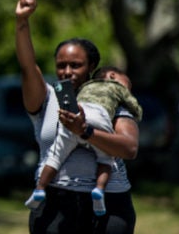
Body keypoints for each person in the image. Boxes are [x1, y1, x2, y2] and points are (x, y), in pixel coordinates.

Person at [15, 0, 139, 234]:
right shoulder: (46, 98)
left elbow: (129, 148)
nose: (67, 71)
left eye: (76, 65)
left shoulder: (112, 98)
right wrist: (22, 22)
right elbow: (27, 65)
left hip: (108, 208)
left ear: (92, 67)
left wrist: (84, 130)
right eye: (61, 65)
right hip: (55, 206)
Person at [25, 66, 143, 216]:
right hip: (99, 118)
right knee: (106, 159)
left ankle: (39, 189)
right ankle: (99, 190)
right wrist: (137, 113)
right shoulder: (117, 87)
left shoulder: (84, 87)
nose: (128, 88)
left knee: (54, 157)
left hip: (77, 115)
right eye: (128, 84)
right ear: (112, 76)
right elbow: (132, 103)